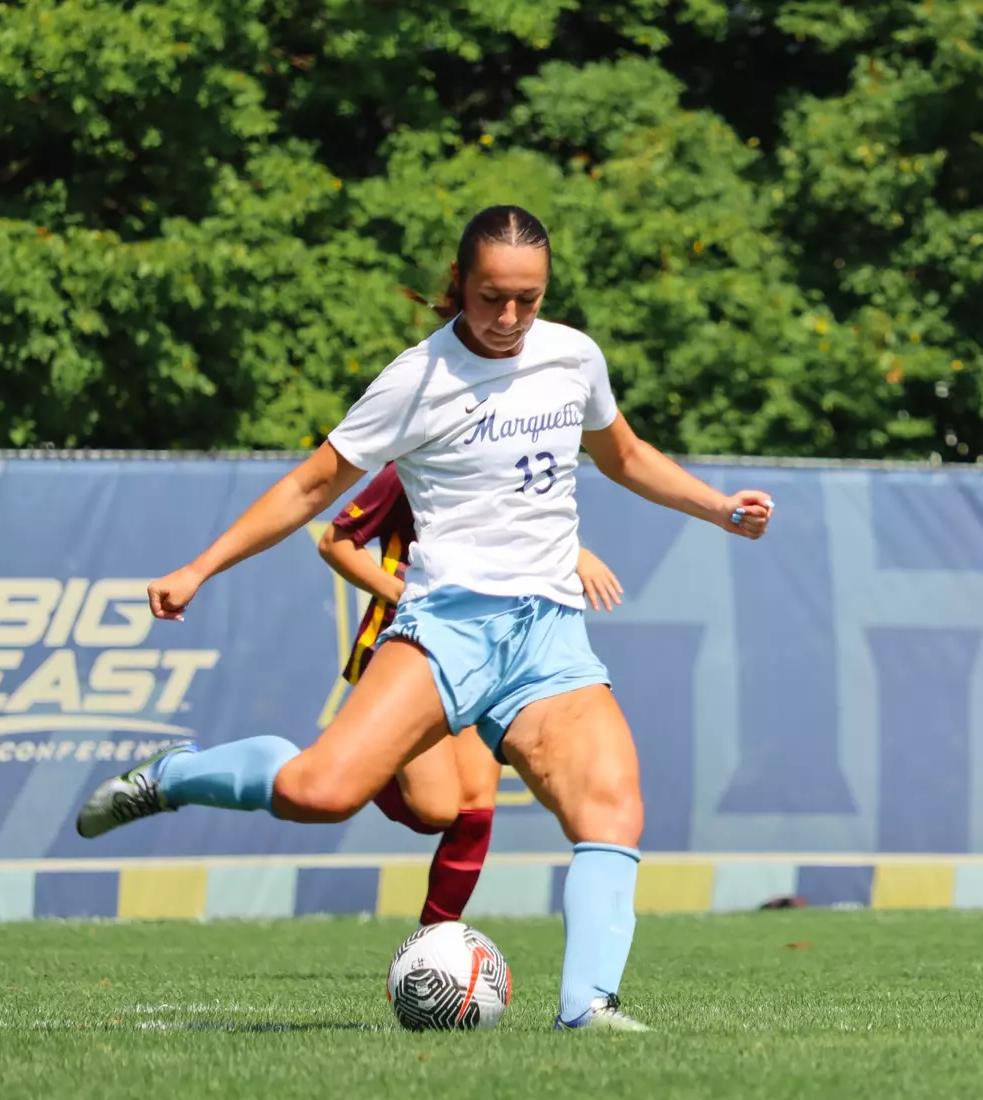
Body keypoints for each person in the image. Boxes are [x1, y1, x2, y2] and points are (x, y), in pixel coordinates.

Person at [74, 203, 774, 1032]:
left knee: (611, 807)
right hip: (446, 628)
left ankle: (588, 1009)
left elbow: (620, 454)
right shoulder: (416, 378)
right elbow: (309, 490)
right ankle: (176, 776)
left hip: (548, 634)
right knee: (320, 792)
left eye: (528, 298)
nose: (509, 317)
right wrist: (200, 567)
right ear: (460, 284)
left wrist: (717, 507)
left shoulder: (572, 356)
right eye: (490, 297)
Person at [319, 460, 625, 926]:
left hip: (484, 646)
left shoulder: (508, 447)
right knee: (434, 810)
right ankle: (334, 766)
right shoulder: (411, 462)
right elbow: (335, 542)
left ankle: (436, 942)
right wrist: (406, 594)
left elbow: (517, 527)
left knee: (475, 804)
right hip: (413, 648)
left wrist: (574, 551)